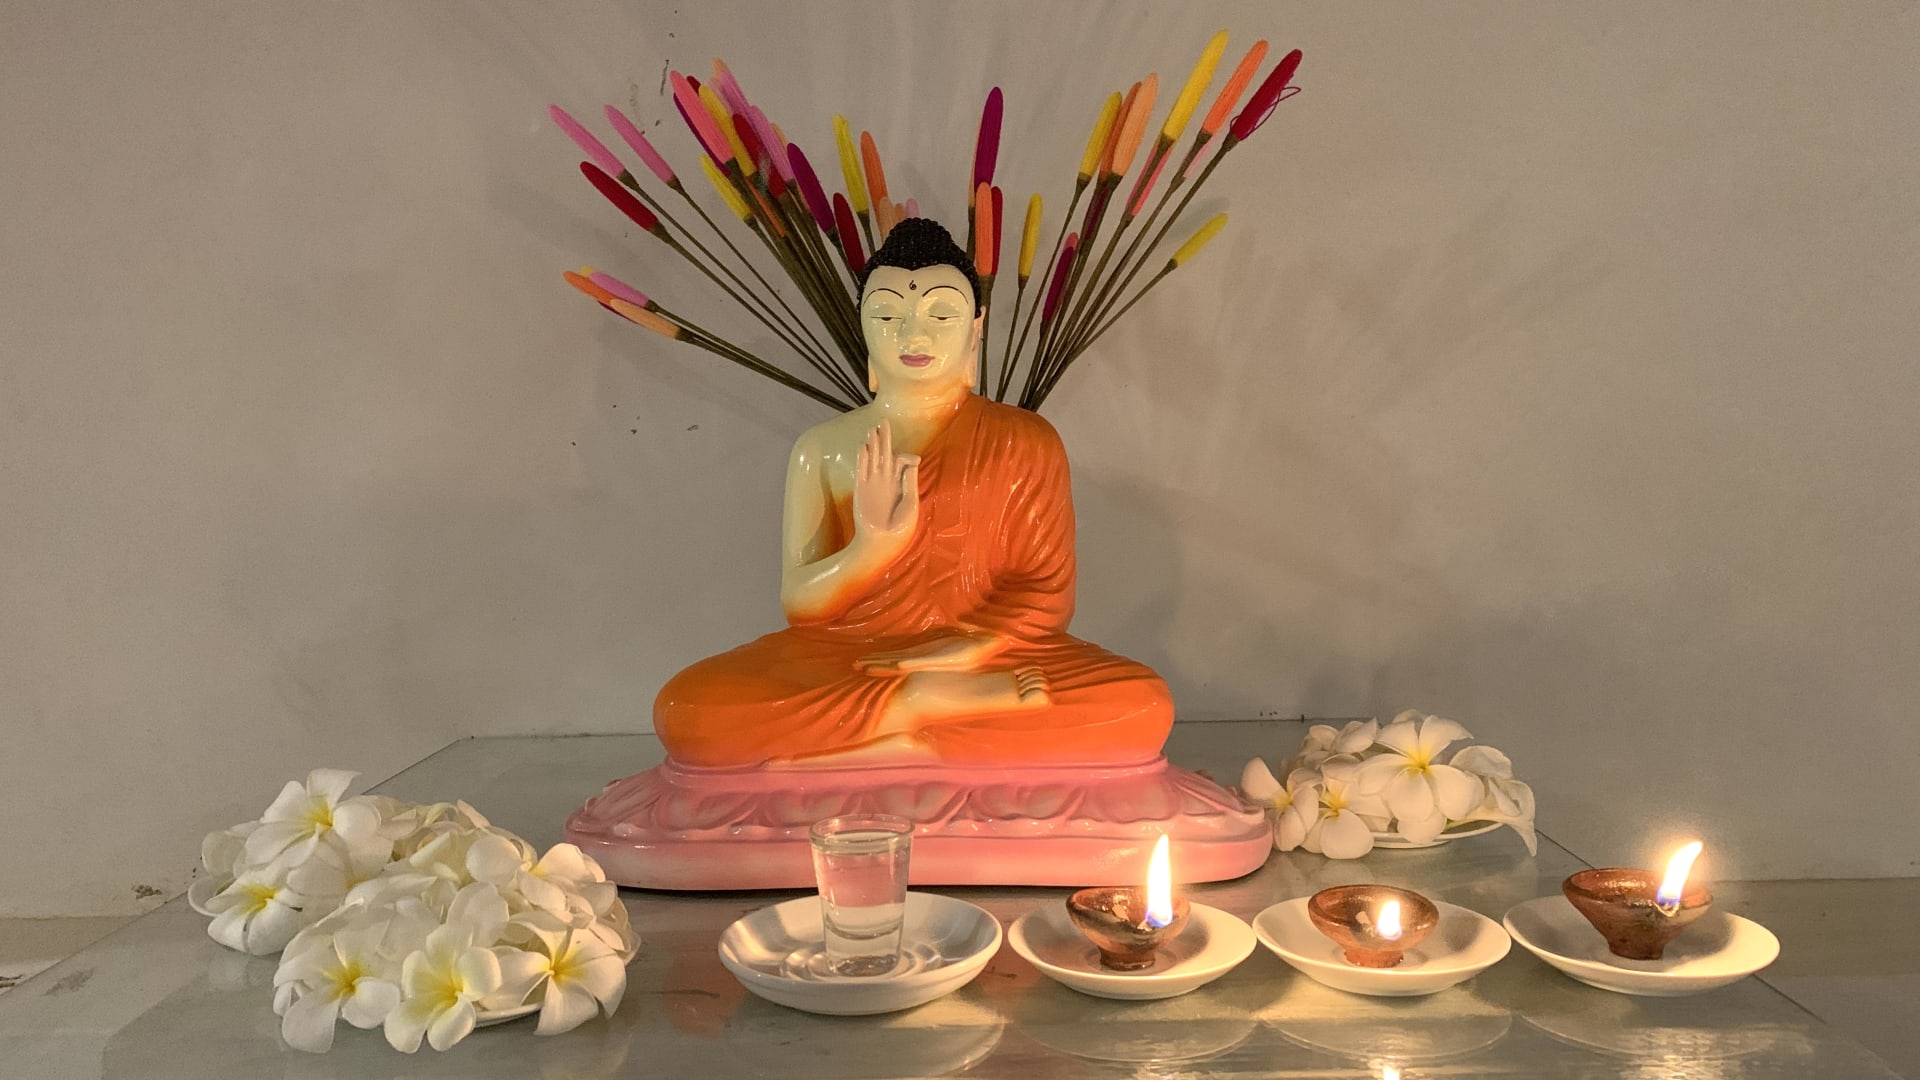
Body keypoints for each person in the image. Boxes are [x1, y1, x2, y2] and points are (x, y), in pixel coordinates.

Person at [655, 219, 1172, 768]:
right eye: (887, 316)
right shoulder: (822, 448)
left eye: (941, 315)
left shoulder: (1026, 439)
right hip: (849, 655)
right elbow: (802, 605)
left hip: (990, 656)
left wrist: (973, 643)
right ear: (863, 326)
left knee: (1142, 704)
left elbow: (1047, 589)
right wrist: (870, 550)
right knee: (689, 709)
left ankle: (885, 739)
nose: (913, 336)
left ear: (976, 328)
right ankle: (917, 709)